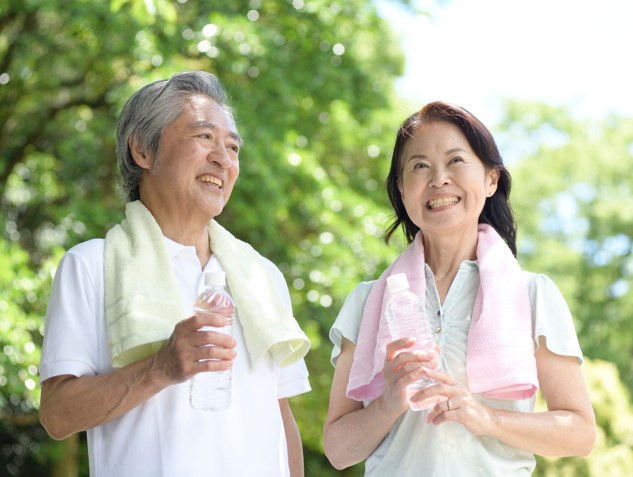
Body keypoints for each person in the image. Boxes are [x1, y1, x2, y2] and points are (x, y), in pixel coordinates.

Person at [39, 71, 311, 477]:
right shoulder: (92, 265)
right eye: (204, 137)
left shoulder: (261, 277)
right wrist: (160, 368)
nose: (224, 157)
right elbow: (57, 415)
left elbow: (280, 416)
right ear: (143, 152)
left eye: (233, 146)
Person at [323, 101, 596, 476]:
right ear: (402, 190)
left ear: (491, 179)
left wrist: (486, 418)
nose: (438, 179)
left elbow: (579, 433)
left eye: (455, 161)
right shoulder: (368, 301)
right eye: (419, 166)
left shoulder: (532, 294)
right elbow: (338, 451)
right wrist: (389, 401)